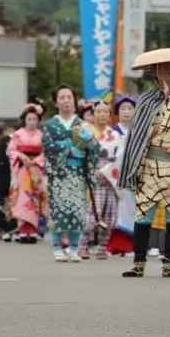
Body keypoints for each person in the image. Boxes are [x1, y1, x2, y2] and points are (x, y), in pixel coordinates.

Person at [118, 48, 170, 278]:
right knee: (143, 214)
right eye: (164, 66)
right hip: (151, 163)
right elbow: (138, 135)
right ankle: (138, 262)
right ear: (155, 70)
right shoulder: (146, 100)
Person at [42, 84, 99, 262]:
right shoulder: (50, 125)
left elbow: (95, 148)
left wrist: (89, 140)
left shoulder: (82, 124)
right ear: (56, 102)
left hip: (77, 174)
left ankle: (74, 248)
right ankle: (57, 247)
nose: (66, 100)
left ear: (74, 101)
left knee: (76, 211)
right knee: (58, 210)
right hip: (58, 174)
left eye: (69, 97)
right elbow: (47, 146)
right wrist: (71, 148)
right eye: (62, 97)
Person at [79, 101, 122, 260]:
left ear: (110, 115)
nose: (102, 115)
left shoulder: (115, 135)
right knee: (91, 214)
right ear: (93, 114)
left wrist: (109, 173)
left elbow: (119, 158)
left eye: (105, 112)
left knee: (109, 214)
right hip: (92, 176)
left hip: (110, 177)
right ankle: (82, 246)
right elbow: (81, 153)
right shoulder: (86, 132)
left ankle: (102, 247)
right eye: (98, 112)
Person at [5, 104, 48, 243]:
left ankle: (33, 230)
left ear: (38, 120)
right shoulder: (18, 134)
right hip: (23, 169)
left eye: (34, 119)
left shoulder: (42, 135)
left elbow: (46, 152)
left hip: (36, 169)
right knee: (23, 197)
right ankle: (23, 229)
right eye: (29, 119)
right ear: (24, 120)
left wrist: (36, 160)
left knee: (35, 196)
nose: (32, 122)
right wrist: (22, 157)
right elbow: (11, 150)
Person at [107, 95, 137, 256]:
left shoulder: (138, 131)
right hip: (116, 178)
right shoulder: (112, 132)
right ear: (118, 112)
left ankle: (132, 245)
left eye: (130, 108)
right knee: (117, 212)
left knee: (133, 212)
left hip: (134, 176)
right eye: (123, 109)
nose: (126, 112)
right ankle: (116, 245)